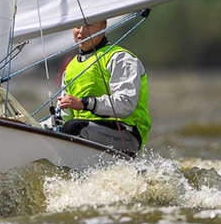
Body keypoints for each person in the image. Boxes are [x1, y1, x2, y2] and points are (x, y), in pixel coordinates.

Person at [55, 19, 151, 157]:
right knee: (59, 129)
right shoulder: (70, 69)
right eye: (77, 26)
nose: (81, 32)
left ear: (103, 26)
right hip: (84, 131)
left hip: (126, 135)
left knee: (73, 127)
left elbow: (125, 105)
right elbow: (64, 117)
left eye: (88, 25)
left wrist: (85, 103)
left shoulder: (121, 58)